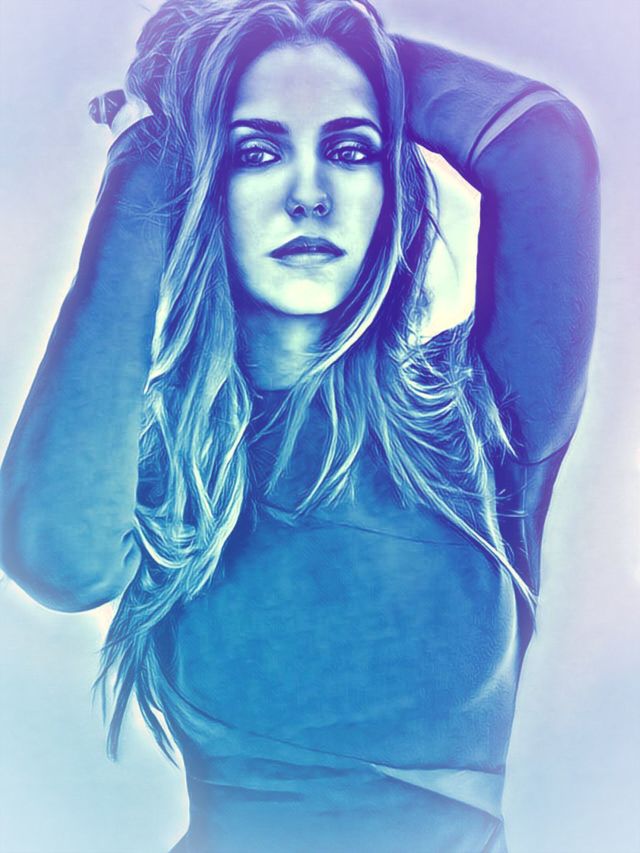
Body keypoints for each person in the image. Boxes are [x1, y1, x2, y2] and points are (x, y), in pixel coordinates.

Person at [0, 0, 599, 850]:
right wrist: (148, 153)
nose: (309, 195)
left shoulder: (475, 418)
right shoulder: (165, 456)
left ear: (390, 187)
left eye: (350, 150)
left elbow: (541, 144)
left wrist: (336, 57)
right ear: (203, 186)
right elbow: (56, 559)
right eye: (256, 152)